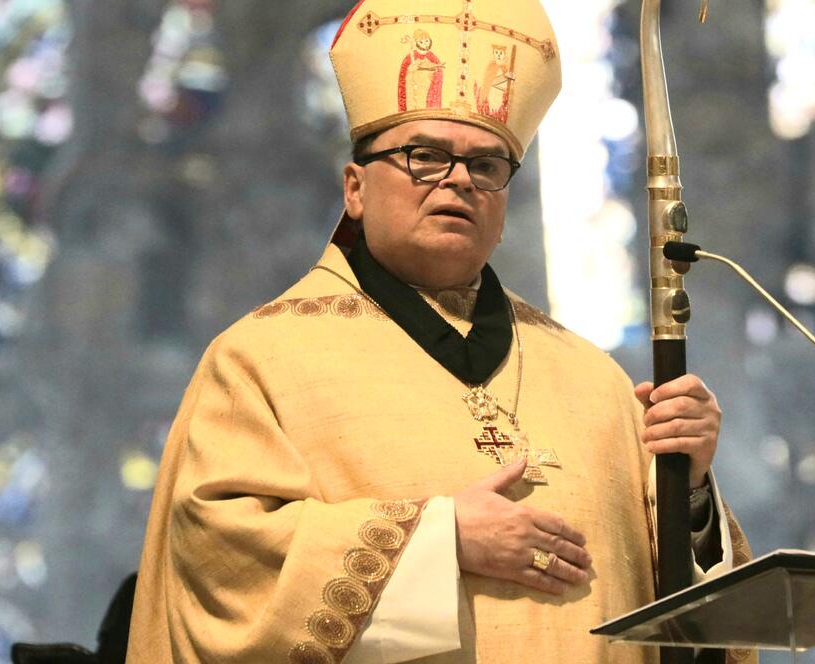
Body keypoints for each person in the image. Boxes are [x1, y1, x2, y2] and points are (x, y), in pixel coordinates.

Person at [127, 1, 753, 663]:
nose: (459, 179)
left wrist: (688, 486)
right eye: (424, 155)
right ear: (355, 188)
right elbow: (218, 575)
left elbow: (687, 623)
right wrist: (439, 539)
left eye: (487, 166)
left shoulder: (595, 379)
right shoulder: (259, 359)